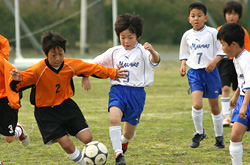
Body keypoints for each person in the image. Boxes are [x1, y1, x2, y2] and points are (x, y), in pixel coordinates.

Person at [10, 31, 127, 165]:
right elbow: (21, 82)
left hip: (66, 106)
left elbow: (92, 68)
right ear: (45, 54)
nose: (58, 58)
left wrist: (113, 73)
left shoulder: (70, 65)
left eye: (61, 54)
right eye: (53, 55)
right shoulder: (37, 70)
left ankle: (73, 135)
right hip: (46, 113)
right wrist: (17, 80)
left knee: (88, 138)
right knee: (67, 144)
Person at [82, 13, 160, 165]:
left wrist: (152, 51)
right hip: (117, 91)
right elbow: (94, 64)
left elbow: (155, 60)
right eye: (122, 37)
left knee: (129, 133)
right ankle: (119, 155)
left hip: (137, 94)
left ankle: (124, 142)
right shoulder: (114, 52)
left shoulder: (143, 52)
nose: (126, 41)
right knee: (114, 118)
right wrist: (85, 74)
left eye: (130, 37)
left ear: (138, 36)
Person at [179, 2, 225, 149]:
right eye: (193, 16)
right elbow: (185, 53)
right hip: (194, 73)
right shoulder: (187, 35)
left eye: (199, 15)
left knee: (214, 107)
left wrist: (214, 61)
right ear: (189, 19)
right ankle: (199, 133)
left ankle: (219, 137)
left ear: (205, 18)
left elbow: (222, 50)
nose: (196, 18)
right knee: (197, 104)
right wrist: (182, 65)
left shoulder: (213, 33)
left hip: (210, 73)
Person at [217, 22, 250, 165]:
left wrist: (244, 106)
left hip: (247, 100)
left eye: (223, 44)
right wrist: (236, 94)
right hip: (243, 98)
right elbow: (242, 81)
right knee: (235, 136)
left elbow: (249, 85)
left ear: (234, 44)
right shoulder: (237, 58)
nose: (222, 48)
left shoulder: (246, 59)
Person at [217, 1, 250, 127]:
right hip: (225, 63)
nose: (231, 16)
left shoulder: (243, 32)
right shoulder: (220, 30)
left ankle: (239, 112)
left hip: (239, 65)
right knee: (225, 88)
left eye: (235, 13)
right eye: (228, 13)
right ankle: (226, 116)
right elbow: (217, 51)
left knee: (242, 87)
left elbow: (245, 50)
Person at [0, 35, 29, 148]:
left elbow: (14, 82)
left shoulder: (3, 63)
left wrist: (14, 100)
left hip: (5, 101)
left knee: (9, 138)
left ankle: (19, 130)